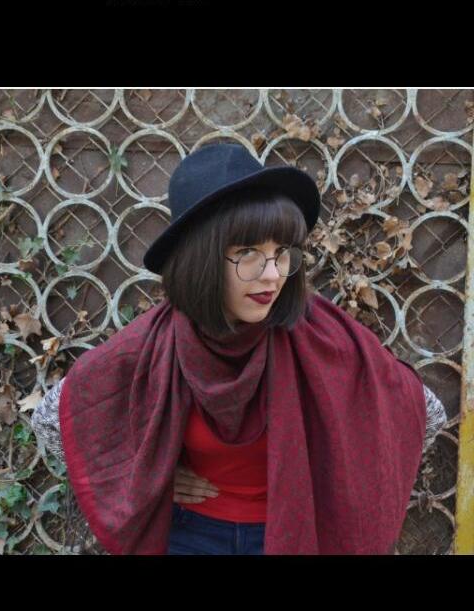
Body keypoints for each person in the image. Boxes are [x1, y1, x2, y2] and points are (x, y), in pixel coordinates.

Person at [31, 143, 447, 555]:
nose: (272, 275)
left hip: (294, 532)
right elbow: (53, 419)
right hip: (190, 536)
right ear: (200, 260)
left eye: (281, 253)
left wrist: (336, 474)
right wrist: (151, 477)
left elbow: (425, 413)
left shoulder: (322, 337)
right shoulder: (154, 345)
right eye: (248, 253)